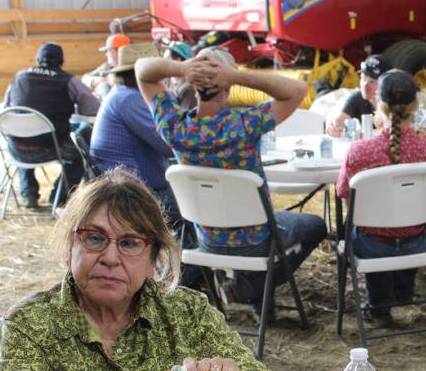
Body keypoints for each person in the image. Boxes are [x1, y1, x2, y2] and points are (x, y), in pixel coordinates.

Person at [0, 168, 299, 371]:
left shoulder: (186, 313)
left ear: (153, 261)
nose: (110, 258)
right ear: (69, 247)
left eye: (129, 243)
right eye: (95, 238)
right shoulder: (30, 325)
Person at [134, 48, 326, 316]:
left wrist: (182, 69)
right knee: (316, 225)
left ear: (194, 84)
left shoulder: (176, 129)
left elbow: (142, 71)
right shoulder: (245, 125)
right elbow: (296, 89)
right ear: (228, 84)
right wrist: (235, 76)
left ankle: (253, 290)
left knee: (282, 226)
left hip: (207, 238)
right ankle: (255, 287)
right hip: (256, 239)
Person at [335, 70, 426, 324]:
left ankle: (380, 305)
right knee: (412, 222)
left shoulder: (359, 152)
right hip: (417, 241)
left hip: (372, 245)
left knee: (366, 227)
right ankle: (403, 297)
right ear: (416, 105)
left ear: (378, 104)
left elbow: (343, 196)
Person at [3, 42, 100, 209]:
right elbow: (92, 109)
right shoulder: (68, 81)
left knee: (24, 136)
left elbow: (6, 109)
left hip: (16, 149)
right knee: (78, 156)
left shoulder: (19, 77)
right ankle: (59, 197)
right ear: (62, 61)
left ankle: (29, 193)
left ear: (37, 59)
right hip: (53, 147)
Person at [90, 44, 178, 221]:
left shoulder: (122, 94)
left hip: (126, 178)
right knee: (193, 203)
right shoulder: (130, 100)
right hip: (137, 188)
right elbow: (169, 145)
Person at [326, 54, 393, 137]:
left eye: (372, 81)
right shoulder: (357, 98)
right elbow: (339, 121)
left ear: (386, 84)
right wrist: (334, 127)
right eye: (363, 78)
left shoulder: (395, 101)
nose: (365, 85)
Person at [82, 33, 132, 100]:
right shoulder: (107, 67)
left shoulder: (133, 69)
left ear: (119, 50)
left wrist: (102, 85)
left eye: (108, 51)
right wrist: (95, 81)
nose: (106, 54)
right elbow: (84, 78)